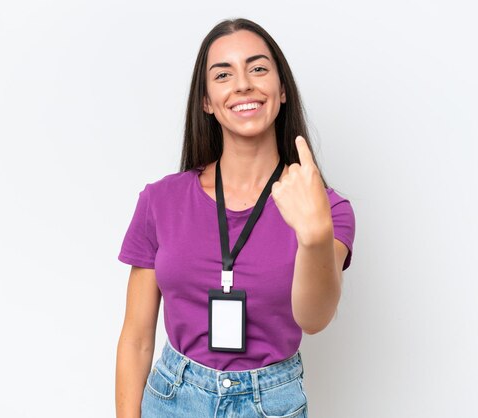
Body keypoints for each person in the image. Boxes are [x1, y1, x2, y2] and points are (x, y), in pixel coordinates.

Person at [115, 18, 355, 418]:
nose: (243, 84)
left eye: (258, 68)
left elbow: (314, 319)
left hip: (271, 403)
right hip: (173, 397)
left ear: (281, 91)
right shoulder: (160, 200)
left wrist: (314, 235)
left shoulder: (326, 209)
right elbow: (137, 338)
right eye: (223, 74)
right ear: (207, 100)